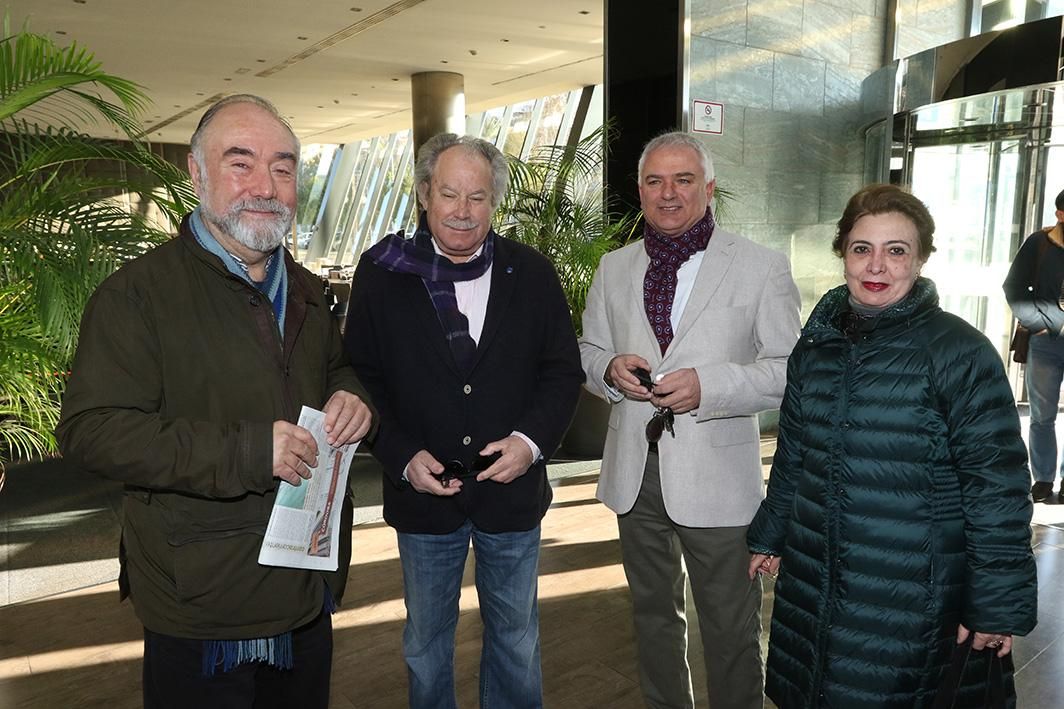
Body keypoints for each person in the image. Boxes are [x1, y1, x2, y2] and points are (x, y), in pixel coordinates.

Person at [56, 94, 375, 708]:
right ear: (196, 174)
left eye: (283, 167)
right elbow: (92, 430)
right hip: (200, 601)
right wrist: (250, 450)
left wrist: (354, 397)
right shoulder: (136, 298)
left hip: (305, 583)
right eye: (240, 162)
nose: (266, 185)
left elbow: (339, 370)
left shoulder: (308, 291)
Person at [748, 184, 1037, 708]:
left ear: (921, 259)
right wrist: (771, 533)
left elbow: (997, 488)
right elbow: (793, 454)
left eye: (896, 250)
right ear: (843, 255)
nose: (876, 265)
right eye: (862, 249)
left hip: (911, 596)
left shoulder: (958, 352)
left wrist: (996, 605)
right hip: (813, 579)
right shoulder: (815, 348)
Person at [344, 133, 584, 709]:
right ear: (425, 193)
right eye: (449, 193)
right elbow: (359, 378)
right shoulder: (382, 273)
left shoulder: (531, 273)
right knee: (425, 647)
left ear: (494, 202)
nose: (461, 210)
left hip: (512, 495)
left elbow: (561, 371)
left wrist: (530, 443)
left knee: (517, 642)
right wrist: (400, 455)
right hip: (425, 497)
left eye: (477, 197)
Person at [579, 131, 801, 709]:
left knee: (730, 627)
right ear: (639, 190)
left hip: (720, 481)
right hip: (635, 474)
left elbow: (787, 371)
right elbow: (586, 351)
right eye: (654, 181)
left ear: (708, 187)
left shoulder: (760, 267)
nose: (668, 193)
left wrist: (711, 385)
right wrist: (609, 369)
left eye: (683, 180)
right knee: (653, 618)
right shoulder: (613, 267)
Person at [1003, 188, 1064, 503]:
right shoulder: (1038, 244)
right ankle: (1043, 479)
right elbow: (1013, 286)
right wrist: (1039, 322)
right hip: (1046, 342)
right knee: (1042, 415)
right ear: (1060, 214)